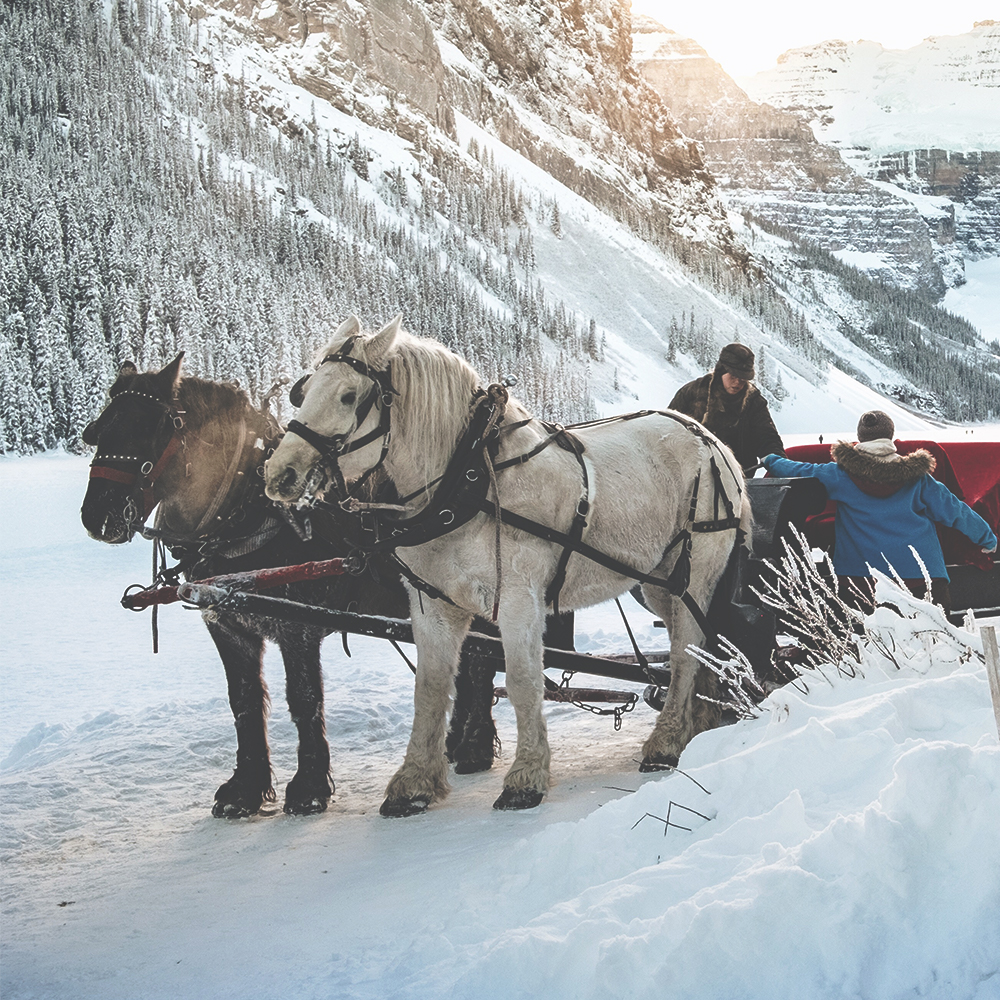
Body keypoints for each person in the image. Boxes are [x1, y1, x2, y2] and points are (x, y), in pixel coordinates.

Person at [761, 410, 997, 613]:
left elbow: (799, 469)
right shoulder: (918, 478)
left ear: (860, 437)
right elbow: (955, 510)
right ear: (890, 436)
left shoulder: (840, 475)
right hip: (922, 580)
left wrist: (770, 459)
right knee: (934, 650)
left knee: (868, 655)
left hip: (860, 582)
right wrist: (986, 538)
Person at [669, 343, 785, 471]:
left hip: (739, 478)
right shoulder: (692, 393)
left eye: (743, 379)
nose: (737, 383)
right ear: (721, 372)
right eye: (733, 376)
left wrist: (776, 461)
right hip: (693, 474)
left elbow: (767, 438)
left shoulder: (754, 402)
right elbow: (669, 431)